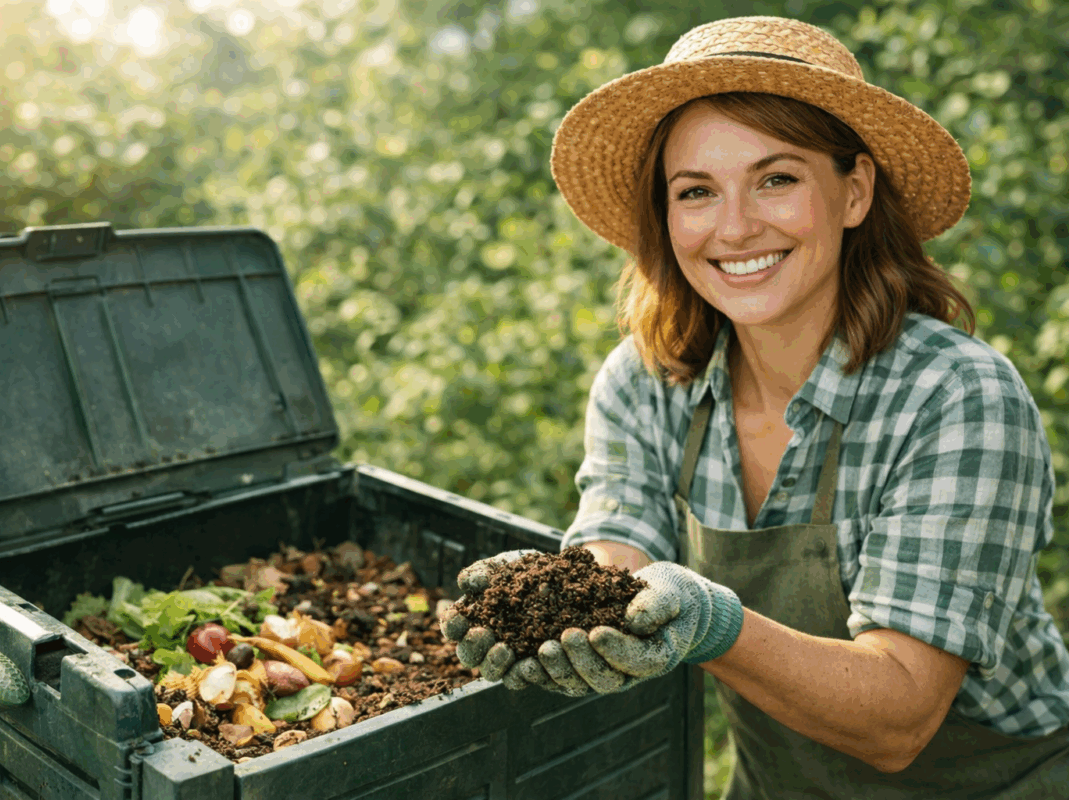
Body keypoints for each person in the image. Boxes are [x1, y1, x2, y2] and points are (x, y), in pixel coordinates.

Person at [439, 15, 1069, 799]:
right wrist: (558, 597)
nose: (734, 227)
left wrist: (710, 623)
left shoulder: (955, 397)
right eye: (696, 191)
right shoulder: (647, 380)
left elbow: (898, 716)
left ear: (855, 191)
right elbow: (620, 543)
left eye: (776, 178)